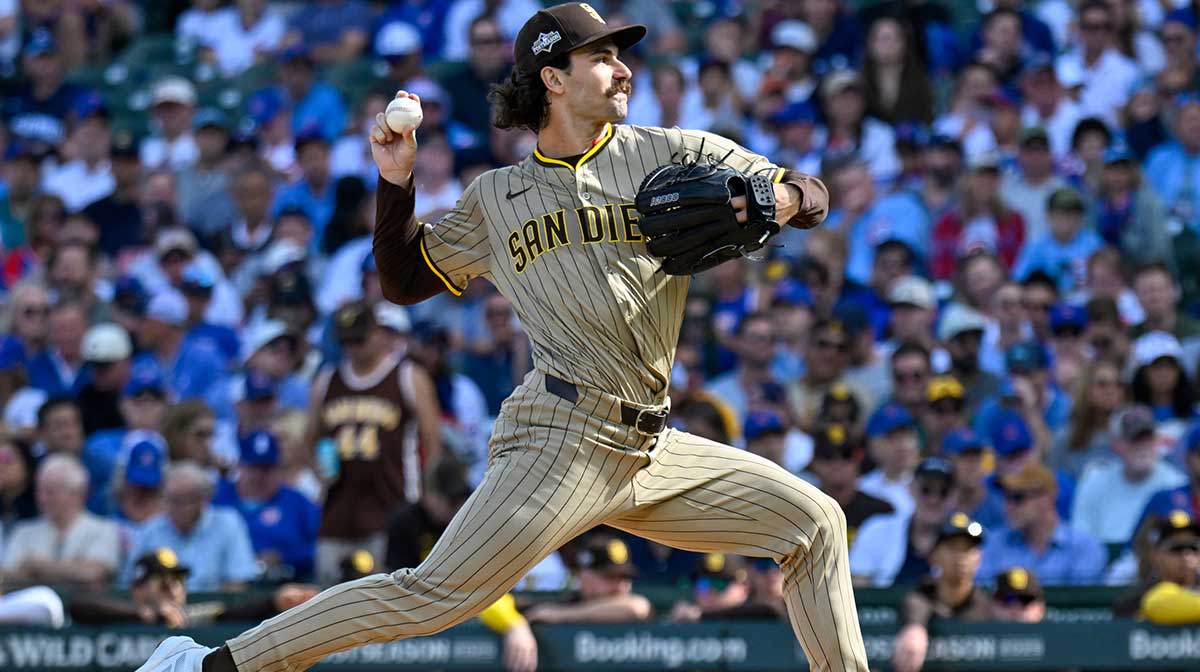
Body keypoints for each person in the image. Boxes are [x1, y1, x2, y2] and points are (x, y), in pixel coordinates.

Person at [139, 5, 870, 672]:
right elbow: (402, 279)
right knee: (431, 597)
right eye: (602, 58)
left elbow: (812, 192)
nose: (622, 69)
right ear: (553, 77)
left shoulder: (671, 151)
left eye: (622, 55)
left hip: (652, 445)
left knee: (815, 524)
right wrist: (396, 184)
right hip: (561, 434)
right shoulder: (498, 197)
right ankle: (206, 667)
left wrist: (783, 196)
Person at [310, 301, 442, 584]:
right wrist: (320, 469)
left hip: (393, 510)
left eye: (359, 339)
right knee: (328, 607)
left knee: (388, 603)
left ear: (379, 333)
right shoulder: (326, 380)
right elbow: (311, 439)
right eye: (346, 342)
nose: (353, 348)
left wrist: (427, 496)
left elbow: (433, 443)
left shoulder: (408, 376)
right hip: (337, 515)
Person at [71, 548, 319, 627]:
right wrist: (142, 615)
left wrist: (273, 602)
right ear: (139, 587)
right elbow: (77, 607)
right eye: (163, 581)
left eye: (178, 580)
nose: (174, 588)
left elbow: (228, 612)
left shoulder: (190, 616)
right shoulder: (119, 612)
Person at [125, 461, 260, 591]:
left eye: (182, 501)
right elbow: (132, 581)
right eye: (170, 500)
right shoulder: (152, 530)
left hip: (215, 610)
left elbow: (239, 581)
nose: (174, 508)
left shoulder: (228, 524)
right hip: (163, 610)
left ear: (202, 499)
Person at [213, 431, 321, 582]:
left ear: (279, 468)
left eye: (266, 469)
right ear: (240, 466)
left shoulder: (298, 503)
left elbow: (318, 548)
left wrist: (284, 557)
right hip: (224, 586)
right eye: (253, 468)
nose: (258, 476)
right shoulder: (218, 498)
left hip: (284, 586)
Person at [1072, 405, 1186, 546]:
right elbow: (1081, 537)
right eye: (1134, 439)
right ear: (1115, 443)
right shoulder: (1094, 481)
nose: (1142, 445)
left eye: (1147, 438)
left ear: (1157, 440)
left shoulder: (1175, 483)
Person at [1, 454, 121, 588]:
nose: (42, 499)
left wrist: (36, 567)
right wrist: (73, 568)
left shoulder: (104, 530)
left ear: (77, 493)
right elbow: (7, 576)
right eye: (39, 491)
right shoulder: (23, 531)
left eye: (51, 492)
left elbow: (93, 573)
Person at [890, 513, 990, 672]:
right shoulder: (920, 597)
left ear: (979, 557)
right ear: (933, 555)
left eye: (968, 549)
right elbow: (917, 603)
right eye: (953, 548)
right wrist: (914, 627)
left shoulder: (986, 605)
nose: (961, 557)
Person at [979, 461, 1107, 585]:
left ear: (1047, 498)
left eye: (1018, 498)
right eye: (1006, 498)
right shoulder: (994, 543)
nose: (1008, 507)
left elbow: (1081, 602)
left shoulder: (1084, 547)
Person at [851, 457, 957, 587]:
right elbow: (857, 584)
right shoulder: (877, 529)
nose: (933, 500)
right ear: (911, 489)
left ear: (954, 496)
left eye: (943, 492)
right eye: (926, 490)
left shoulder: (967, 539)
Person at [523, 536, 652, 624]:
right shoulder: (566, 601)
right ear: (584, 576)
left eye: (625, 578)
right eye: (610, 578)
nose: (620, 587)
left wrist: (561, 615)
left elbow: (636, 609)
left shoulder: (564, 612)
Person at [807, 424, 893, 547]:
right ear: (814, 464)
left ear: (858, 461)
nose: (837, 464)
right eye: (827, 456)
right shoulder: (801, 512)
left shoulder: (880, 511)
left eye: (846, 455)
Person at [1112, 510, 1200, 623]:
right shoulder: (1134, 602)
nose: (1186, 555)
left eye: (1193, 547)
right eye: (1177, 548)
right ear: (1155, 555)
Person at [859, 402, 920, 516]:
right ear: (873, 445)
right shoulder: (863, 489)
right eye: (891, 437)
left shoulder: (932, 483)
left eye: (907, 435)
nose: (903, 445)